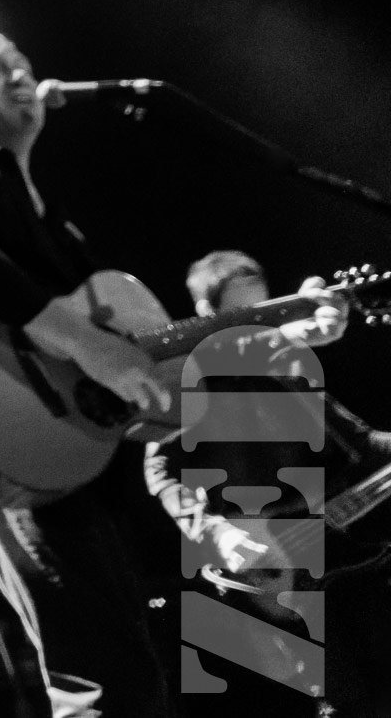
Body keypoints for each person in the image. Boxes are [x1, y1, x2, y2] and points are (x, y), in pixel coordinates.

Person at [0, 31, 176, 717]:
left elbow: (119, 356)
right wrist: (81, 339)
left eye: (24, 64)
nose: (21, 74)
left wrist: (277, 324)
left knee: (127, 667)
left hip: (51, 445)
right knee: (108, 678)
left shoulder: (48, 221)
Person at [143, 250, 381, 716]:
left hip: (333, 559)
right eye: (247, 313)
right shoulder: (195, 380)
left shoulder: (288, 373)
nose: (264, 322)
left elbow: (363, 442)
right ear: (207, 315)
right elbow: (159, 468)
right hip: (259, 573)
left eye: (267, 308)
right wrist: (215, 532)